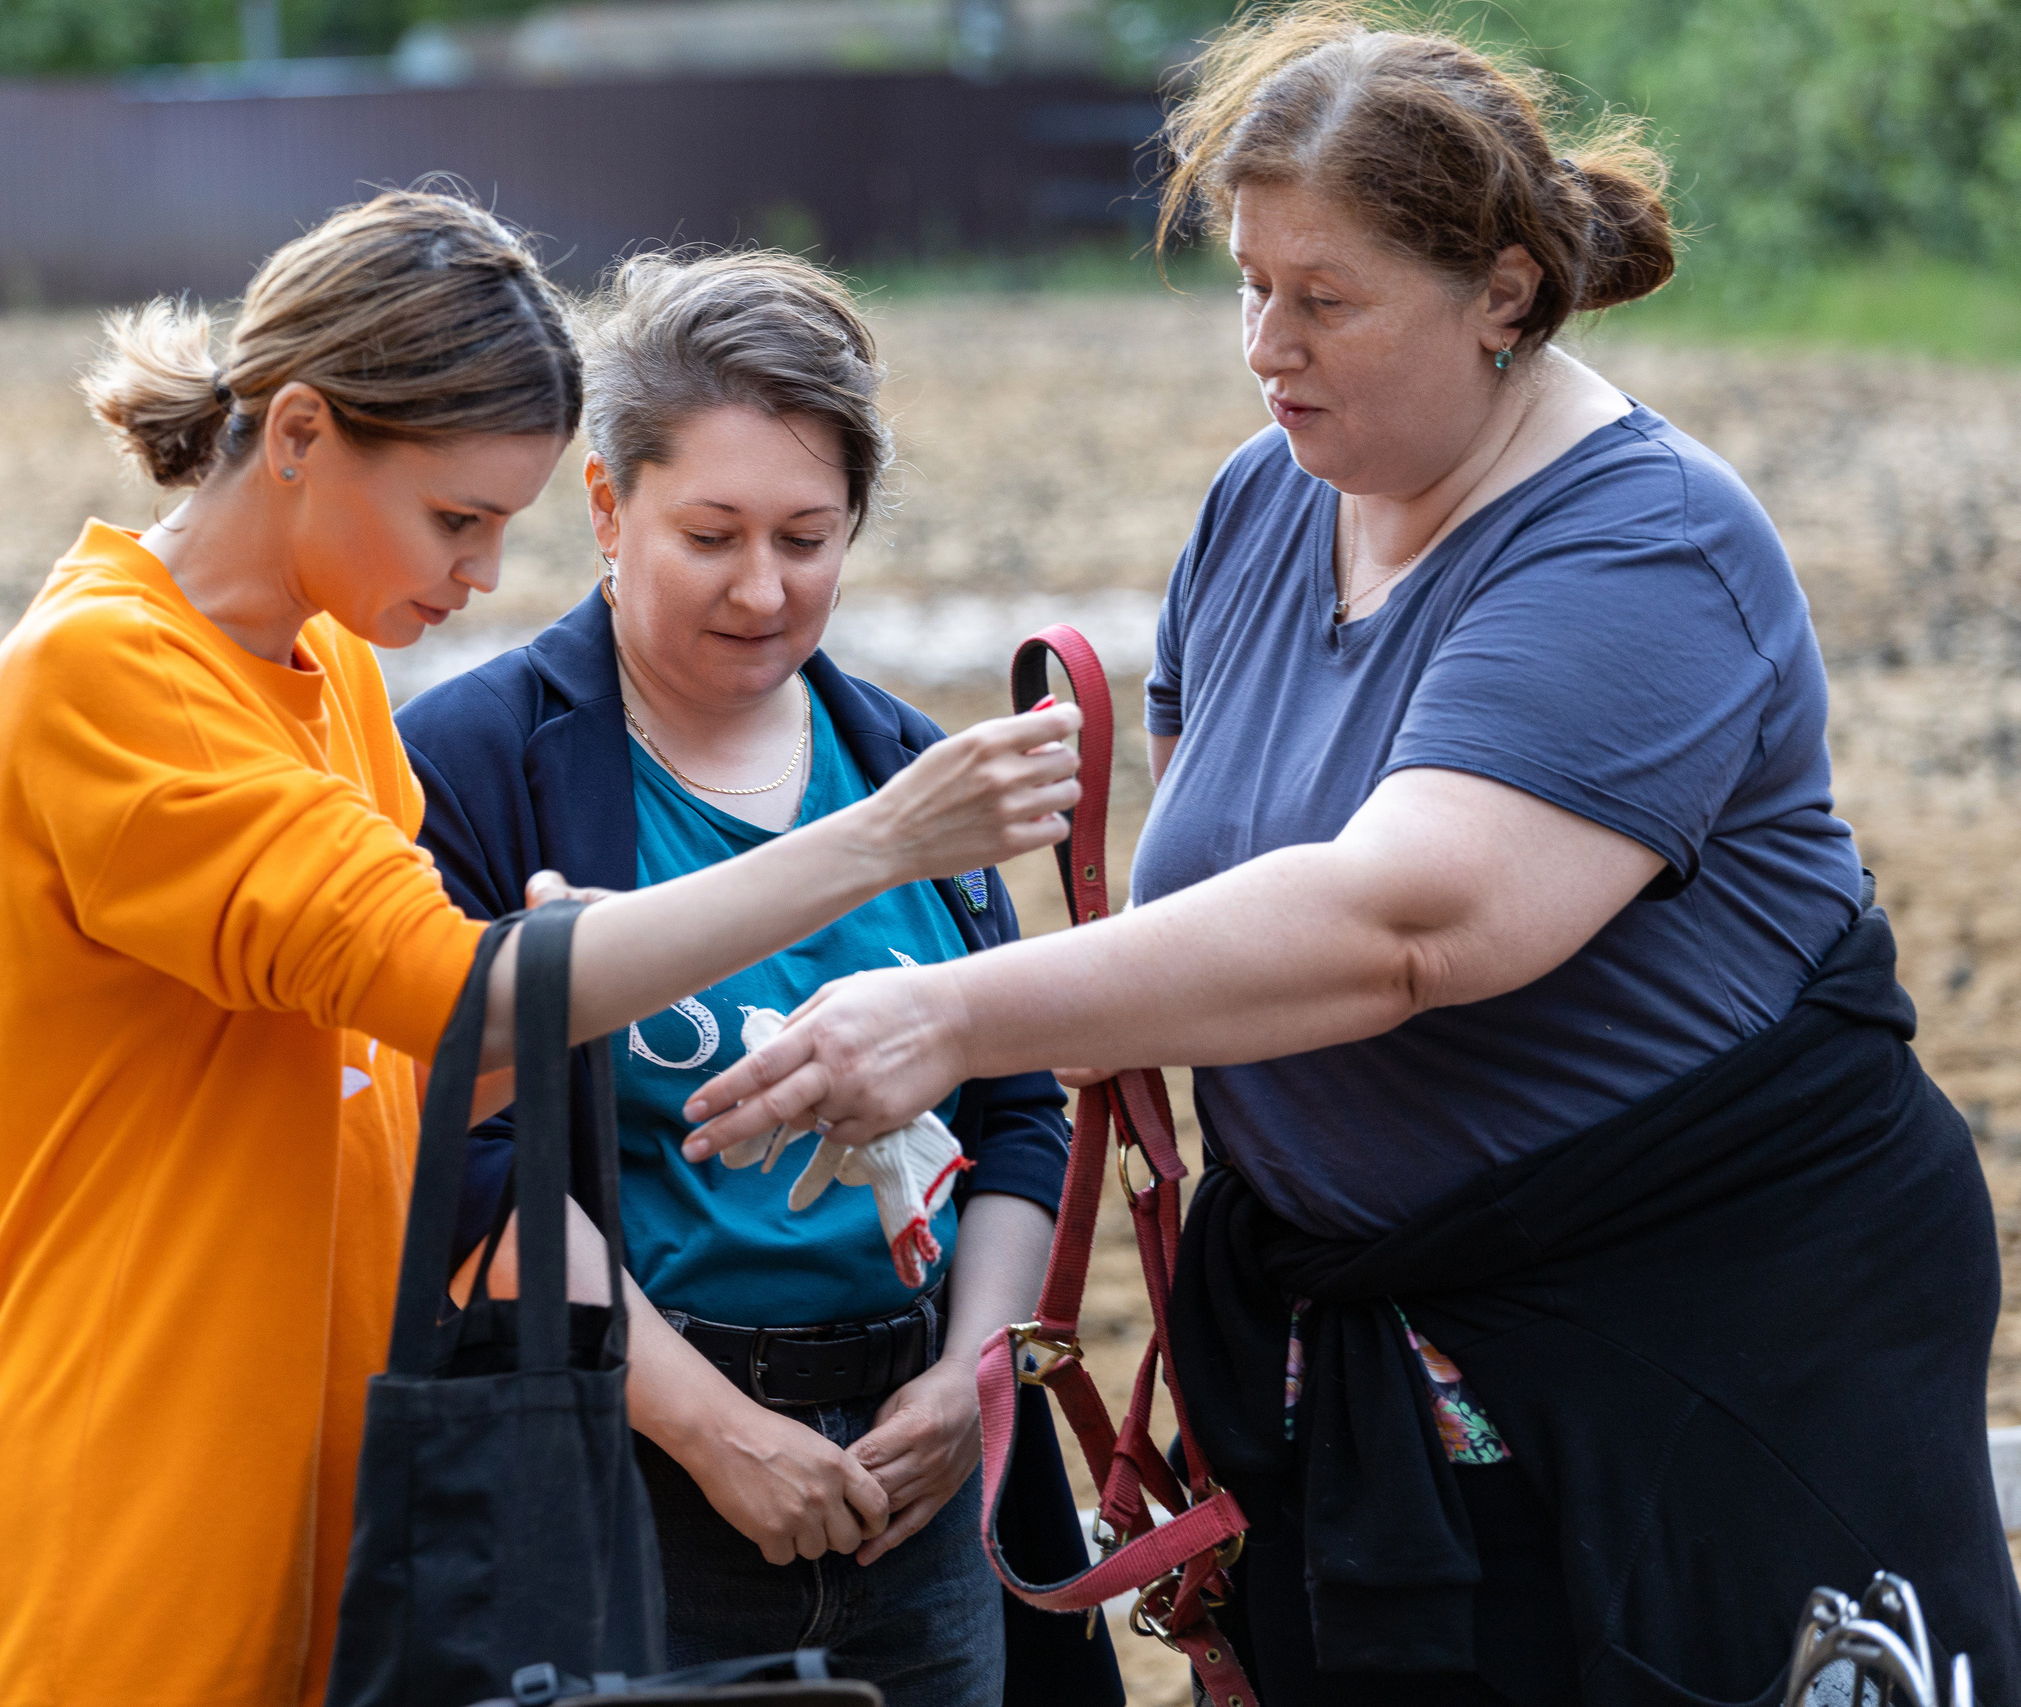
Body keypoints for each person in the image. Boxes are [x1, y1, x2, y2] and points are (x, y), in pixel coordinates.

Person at [677, 10, 2021, 1705]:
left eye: (1326, 299)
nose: (1264, 343)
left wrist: (954, 1016)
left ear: (1508, 296)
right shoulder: (1263, 505)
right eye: (1250, 284)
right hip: (1379, 1330)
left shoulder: (1643, 547)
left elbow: (1409, 923)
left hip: (1698, 1340)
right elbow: (1225, 890)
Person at [0, 190, 1083, 1707]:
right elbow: (460, 1000)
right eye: (456, 518)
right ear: (303, 435)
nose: (478, 575)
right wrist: (877, 844)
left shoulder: (321, 666)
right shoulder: (103, 675)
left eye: (499, 527)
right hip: (135, 1501)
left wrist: (586, 1000)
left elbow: (421, 1089)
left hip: (332, 1495)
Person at [396, 250, 1121, 1707]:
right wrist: (715, 1431)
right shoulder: (474, 764)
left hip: (924, 1484)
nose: (765, 587)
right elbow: (464, 1161)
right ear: (606, 508)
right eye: (711, 534)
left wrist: (968, 1384)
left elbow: (1021, 1115)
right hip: (630, 1475)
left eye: (809, 535)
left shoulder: (917, 764)